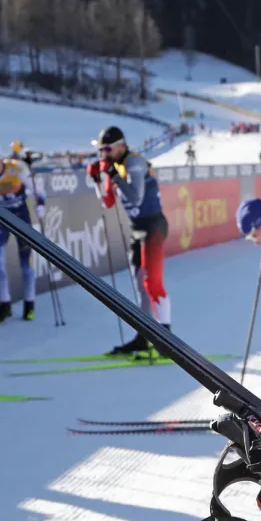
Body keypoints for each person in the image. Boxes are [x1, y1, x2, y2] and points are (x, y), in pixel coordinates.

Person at [86, 126, 172, 355]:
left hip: (153, 225)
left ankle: (166, 337)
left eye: (107, 148)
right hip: (138, 229)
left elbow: (136, 197)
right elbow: (107, 203)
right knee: (140, 285)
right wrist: (98, 178)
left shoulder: (133, 163)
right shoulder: (114, 165)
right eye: (100, 149)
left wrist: (112, 176)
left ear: (121, 146)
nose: (103, 153)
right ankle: (144, 335)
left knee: (152, 283)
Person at [0, 140, 46, 323]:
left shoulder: (17, 169)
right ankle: (4, 304)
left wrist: (40, 205)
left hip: (21, 215)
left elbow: (37, 188)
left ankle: (29, 303)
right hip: (0, 218)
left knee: (26, 261)